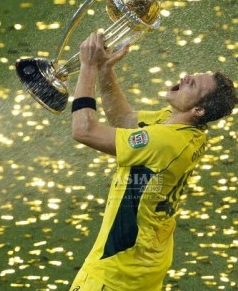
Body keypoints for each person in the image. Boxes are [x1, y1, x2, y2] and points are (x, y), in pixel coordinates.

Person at [68, 31, 237, 291]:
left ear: (198, 110)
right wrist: (104, 70)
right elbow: (123, 119)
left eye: (193, 84)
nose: (185, 76)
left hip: (114, 275)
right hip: (146, 270)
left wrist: (88, 67)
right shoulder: (185, 129)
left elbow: (85, 130)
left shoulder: (164, 142)